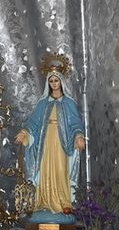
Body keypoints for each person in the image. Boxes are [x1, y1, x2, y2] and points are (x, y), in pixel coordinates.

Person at [15, 61, 87, 220]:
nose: (54, 84)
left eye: (56, 80)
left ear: (61, 81)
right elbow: (33, 124)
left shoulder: (68, 103)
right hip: (46, 142)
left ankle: (63, 202)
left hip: (62, 143)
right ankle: (44, 202)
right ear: (48, 83)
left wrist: (79, 136)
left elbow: (75, 124)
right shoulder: (43, 103)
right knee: (45, 169)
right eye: (51, 81)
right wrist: (24, 133)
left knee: (61, 170)